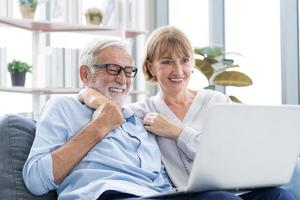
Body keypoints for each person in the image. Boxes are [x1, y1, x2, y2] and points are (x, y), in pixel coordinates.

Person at [77, 26, 296, 200]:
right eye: (167, 62)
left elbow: (230, 154)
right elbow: (100, 100)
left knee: (279, 195)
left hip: (238, 190)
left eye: (184, 61)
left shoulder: (217, 102)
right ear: (151, 67)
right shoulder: (141, 112)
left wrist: (177, 132)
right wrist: (89, 93)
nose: (178, 71)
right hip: (193, 196)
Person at [22, 38, 247, 200]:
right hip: (108, 194)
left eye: (128, 71)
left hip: (157, 195)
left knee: (273, 195)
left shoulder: (137, 117)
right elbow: (35, 180)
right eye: (112, 69)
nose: (122, 79)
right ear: (85, 74)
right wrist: (99, 126)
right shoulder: (63, 108)